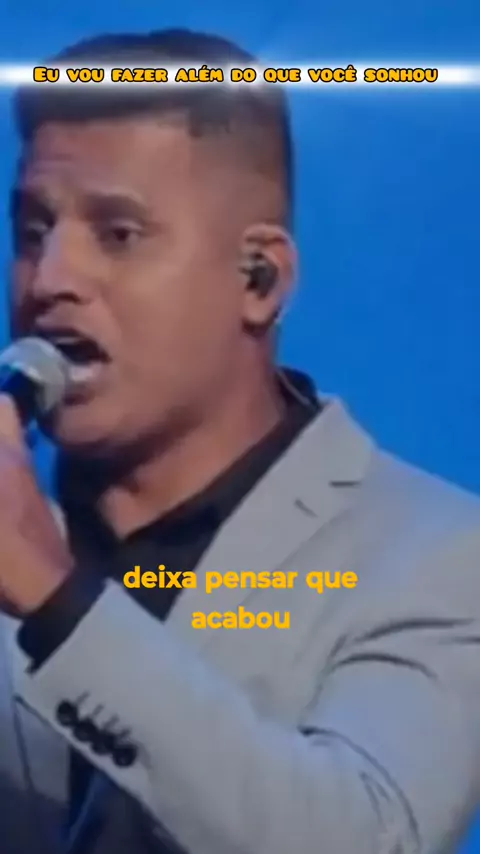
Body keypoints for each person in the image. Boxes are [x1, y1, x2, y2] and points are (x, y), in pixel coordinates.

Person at [0, 26, 479, 854]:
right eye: (33, 230)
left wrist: (55, 598)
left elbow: (359, 841)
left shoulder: (439, 552)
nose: (49, 279)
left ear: (259, 279)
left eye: (118, 233)